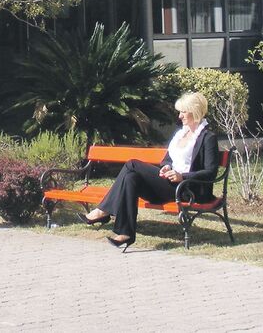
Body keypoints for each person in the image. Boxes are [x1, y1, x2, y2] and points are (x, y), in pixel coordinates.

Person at [80, 92, 218, 250]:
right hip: (167, 185)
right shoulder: (181, 134)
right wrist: (166, 166)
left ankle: (102, 211)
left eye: (183, 112)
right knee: (131, 177)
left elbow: (210, 172)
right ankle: (126, 234)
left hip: (187, 189)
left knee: (132, 164)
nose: (179, 116)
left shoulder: (207, 137)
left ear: (195, 111)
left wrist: (182, 176)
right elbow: (168, 159)